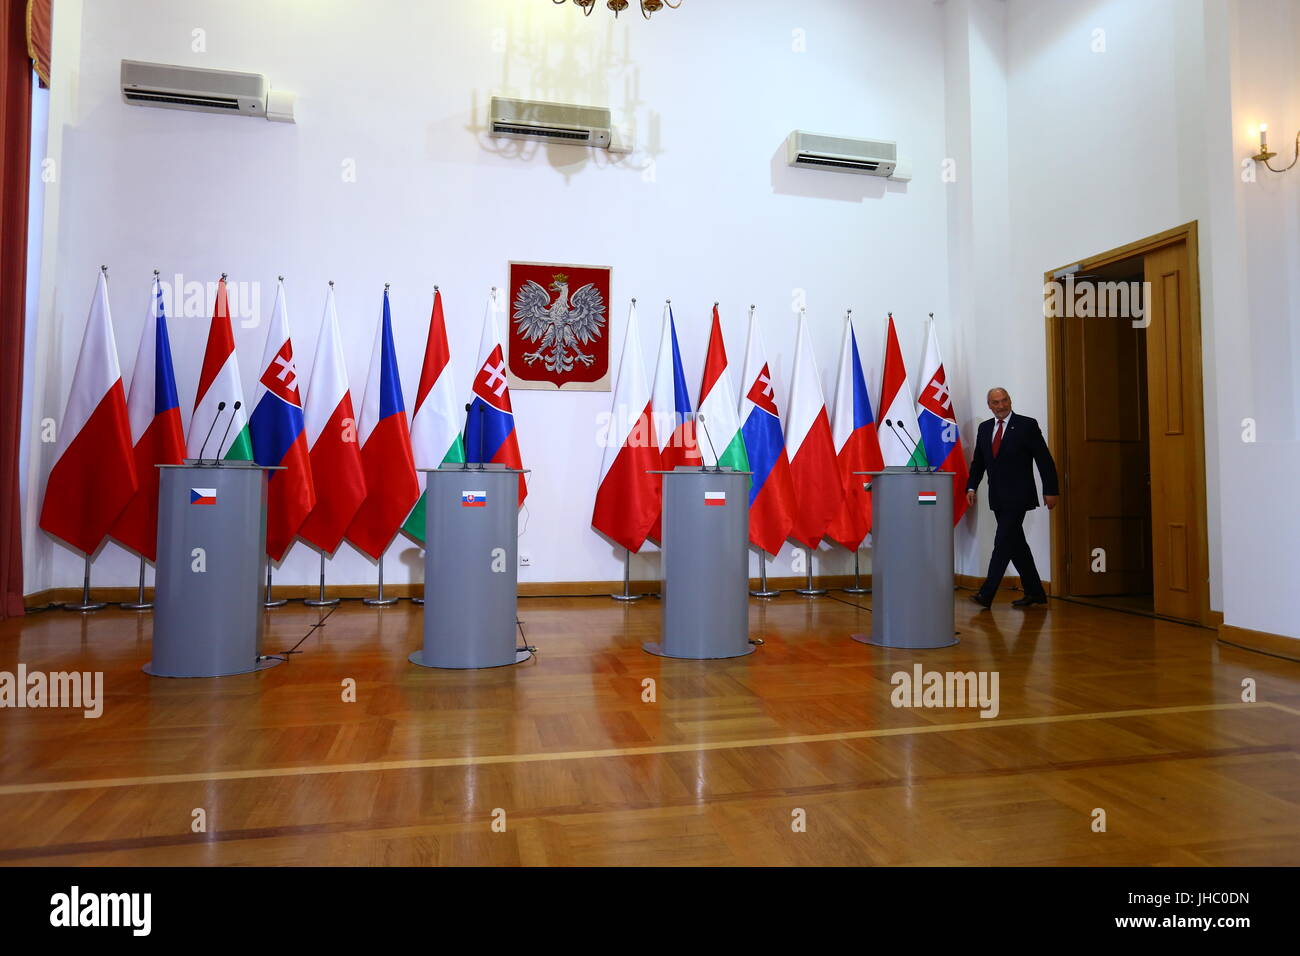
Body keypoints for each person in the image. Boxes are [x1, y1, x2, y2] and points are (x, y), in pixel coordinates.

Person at [965, 388, 1059, 608]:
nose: (1001, 405)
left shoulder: (1027, 425)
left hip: (1019, 495)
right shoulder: (985, 428)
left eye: (1004, 400)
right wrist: (971, 487)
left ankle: (986, 594)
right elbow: (979, 462)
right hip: (997, 496)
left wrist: (1051, 490)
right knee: (1016, 544)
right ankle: (1035, 592)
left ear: (1010, 400)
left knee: (1002, 542)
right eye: (996, 402)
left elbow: (1044, 460)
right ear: (989, 405)